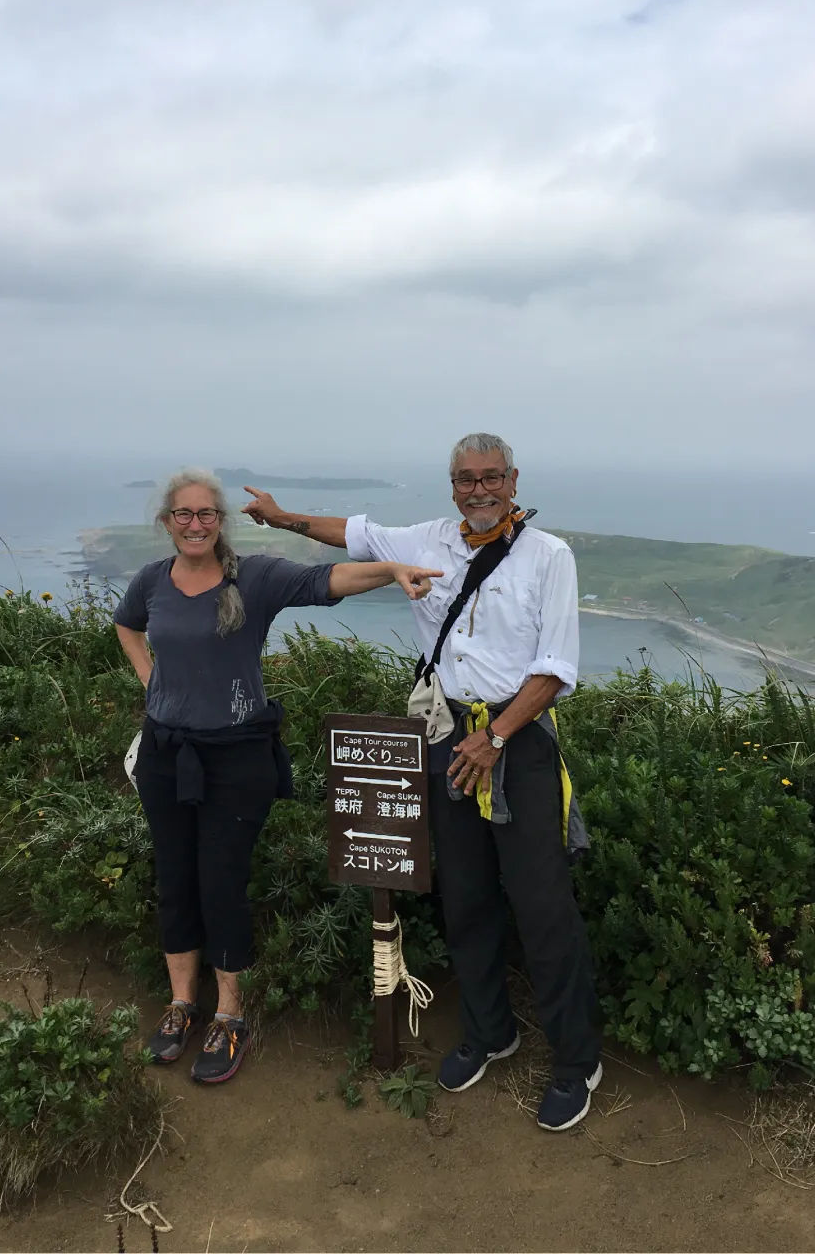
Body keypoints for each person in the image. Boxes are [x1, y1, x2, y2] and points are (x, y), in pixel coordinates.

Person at [242, 433, 602, 1131]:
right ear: (452, 485)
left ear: (513, 479)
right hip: (446, 739)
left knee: (542, 906)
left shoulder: (548, 556)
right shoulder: (427, 540)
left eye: (490, 476)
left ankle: (575, 1061)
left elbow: (556, 669)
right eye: (466, 479)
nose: (478, 489)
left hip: (513, 743)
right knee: (464, 897)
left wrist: (496, 736)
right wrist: (281, 517)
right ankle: (490, 1033)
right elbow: (347, 532)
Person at [114, 468, 441, 1085]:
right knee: (174, 878)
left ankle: (230, 1014)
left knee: (221, 881)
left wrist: (392, 573)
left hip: (237, 758)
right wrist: (150, 680)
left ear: (221, 522)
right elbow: (126, 625)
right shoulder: (151, 581)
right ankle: (183, 1003)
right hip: (166, 754)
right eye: (183, 515)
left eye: (206, 514)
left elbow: (328, 580)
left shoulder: (254, 577)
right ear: (167, 523)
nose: (195, 524)